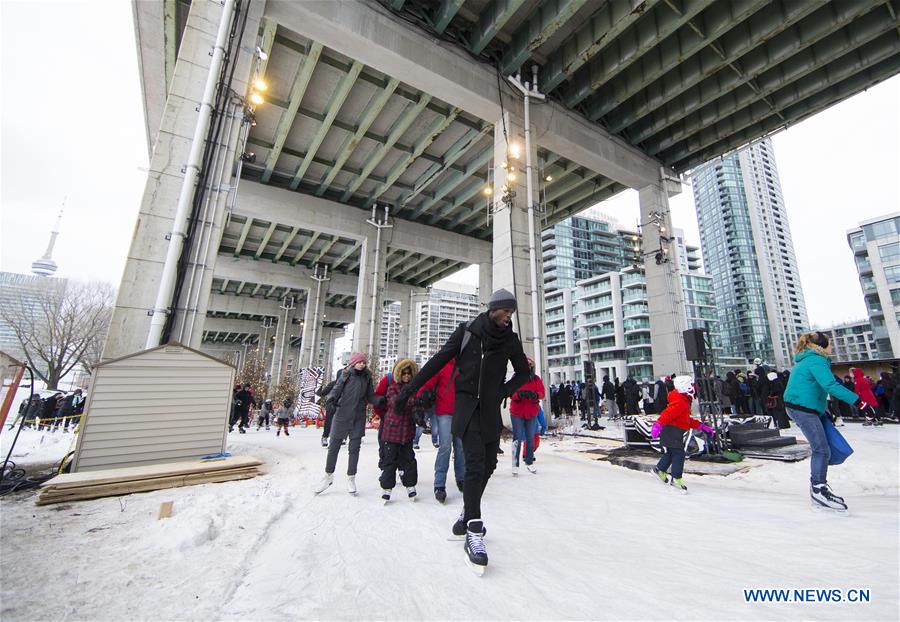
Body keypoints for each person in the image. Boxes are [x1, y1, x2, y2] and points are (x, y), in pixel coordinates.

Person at [396, 288, 530, 571]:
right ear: (494, 308)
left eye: (511, 314)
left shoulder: (510, 340)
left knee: (490, 464)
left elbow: (524, 372)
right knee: (474, 464)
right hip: (466, 409)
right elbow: (437, 362)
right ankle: (474, 530)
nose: (509, 318)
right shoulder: (468, 331)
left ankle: (466, 513)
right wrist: (409, 390)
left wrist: (502, 391)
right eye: (506, 312)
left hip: (490, 411)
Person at [783, 332, 867, 512]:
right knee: (821, 448)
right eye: (830, 344)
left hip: (806, 407)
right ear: (822, 346)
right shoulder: (816, 360)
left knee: (828, 447)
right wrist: (859, 401)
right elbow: (829, 385)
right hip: (802, 408)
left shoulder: (809, 359)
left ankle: (819, 485)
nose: (832, 347)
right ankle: (818, 488)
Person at [316, 353, 385, 495]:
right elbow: (336, 389)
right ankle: (328, 476)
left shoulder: (367, 377)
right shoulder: (345, 374)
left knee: (354, 449)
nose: (362, 365)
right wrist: (331, 400)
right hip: (341, 415)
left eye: (364, 362)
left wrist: (379, 400)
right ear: (353, 363)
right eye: (359, 362)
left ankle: (351, 478)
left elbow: (370, 395)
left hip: (358, 416)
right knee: (333, 447)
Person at [650, 376, 712, 493]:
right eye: (691, 385)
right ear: (685, 387)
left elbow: (685, 420)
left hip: (673, 431)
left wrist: (701, 426)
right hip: (671, 431)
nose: (693, 388)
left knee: (671, 452)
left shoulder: (683, 400)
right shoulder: (680, 401)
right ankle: (676, 478)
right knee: (679, 454)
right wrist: (658, 425)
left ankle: (660, 469)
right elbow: (667, 414)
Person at [418, 360, 465, 503]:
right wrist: (422, 394)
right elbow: (428, 382)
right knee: (445, 446)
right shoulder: (443, 365)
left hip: (462, 411)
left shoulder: (467, 365)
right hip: (445, 411)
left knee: (461, 446)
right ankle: (439, 484)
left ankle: (461, 478)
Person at [379, 359, 422, 501]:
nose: (406, 376)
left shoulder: (414, 389)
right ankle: (387, 487)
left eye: (409, 373)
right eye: (404, 373)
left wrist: (422, 403)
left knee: (408, 459)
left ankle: (410, 485)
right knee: (390, 459)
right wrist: (413, 401)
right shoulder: (393, 388)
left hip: (407, 430)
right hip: (392, 430)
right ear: (399, 374)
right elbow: (395, 403)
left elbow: (417, 404)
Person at [510, 357, 544, 475]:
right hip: (517, 412)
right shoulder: (516, 378)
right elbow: (510, 393)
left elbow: (542, 393)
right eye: (526, 364)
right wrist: (519, 395)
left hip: (531, 412)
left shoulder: (536, 379)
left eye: (530, 364)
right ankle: (515, 463)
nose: (528, 366)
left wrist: (534, 395)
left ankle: (529, 462)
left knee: (530, 437)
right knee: (517, 438)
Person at [316, 369, 342, 447]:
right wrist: (319, 388)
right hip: (331, 405)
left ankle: (340, 438)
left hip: (341, 405)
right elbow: (322, 393)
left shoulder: (347, 386)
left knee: (341, 422)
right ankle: (325, 437)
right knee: (329, 421)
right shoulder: (333, 384)